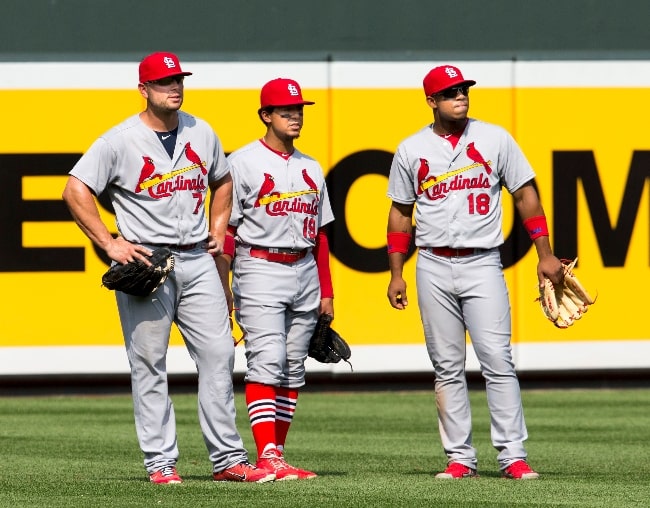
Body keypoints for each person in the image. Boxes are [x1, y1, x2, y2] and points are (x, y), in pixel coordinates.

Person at [62, 52, 275, 484]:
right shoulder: (119, 140)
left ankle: (228, 460)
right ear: (144, 90)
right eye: (163, 82)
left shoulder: (201, 130)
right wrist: (108, 242)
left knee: (220, 354)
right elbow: (75, 189)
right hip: (149, 262)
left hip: (197, 257)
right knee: (149, 363)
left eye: (178, 80)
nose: (173, 87)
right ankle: (161, 463)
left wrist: (218, 227)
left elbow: (223, 179)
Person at [385, 65, 564, 480]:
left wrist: (545, 254)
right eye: (449, 92)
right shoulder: (412, 148)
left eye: (463, 89)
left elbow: (525, 195)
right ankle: (460, 458)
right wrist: (397, 272)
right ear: (432, 101)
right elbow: (399, 214)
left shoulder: (495, 138)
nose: (460, 96)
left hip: (483, 260)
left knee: (498, 360)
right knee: (446, 365)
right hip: (431, 262)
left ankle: (512, 455)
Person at [223, 78, 335, 480]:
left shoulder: (311, 166)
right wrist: (225, 285)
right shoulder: (242, 162)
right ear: (265, 115)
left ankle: (278, 455)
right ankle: (266, 453)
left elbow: (321, 234)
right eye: (286, 111)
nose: (295, 116)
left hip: (304, 268)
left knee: (292, 368)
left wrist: (327, 290)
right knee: (267, 360)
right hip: (259, 266)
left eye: (299, 110)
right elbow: (227, 230)